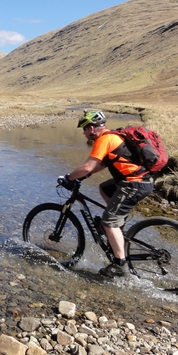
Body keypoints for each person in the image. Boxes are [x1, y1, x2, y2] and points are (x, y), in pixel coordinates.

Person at [60, 110, 154, 278]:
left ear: (91, 128)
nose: (84, 133)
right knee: (104, 188)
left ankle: (120, 265)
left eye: (84, 129)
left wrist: (68, 178)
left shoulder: (104, 139)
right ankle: (118, 226)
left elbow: (88, 166)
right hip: (140, 181)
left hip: (133, 184)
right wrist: (85, 176)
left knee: (108, 222)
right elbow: (102, 164)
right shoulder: (113, 136)